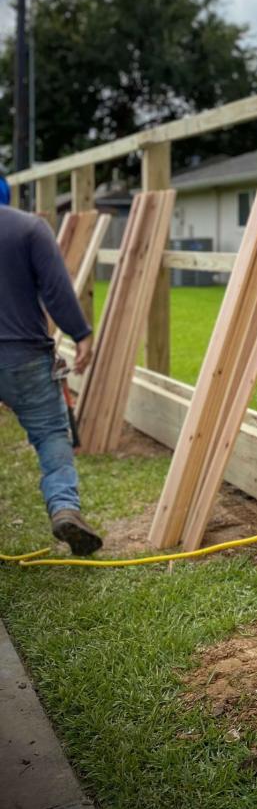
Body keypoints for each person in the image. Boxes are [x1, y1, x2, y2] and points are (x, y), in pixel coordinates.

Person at [0, 175, 103, 554]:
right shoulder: (29, 228)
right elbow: (57, 290)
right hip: (24, 356)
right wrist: (81, 334)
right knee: (50, 436)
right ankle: (64, 508)